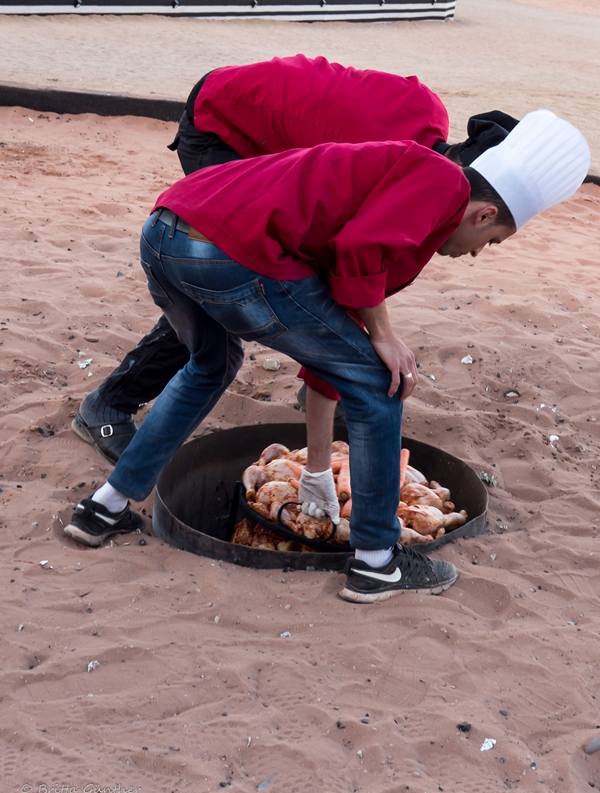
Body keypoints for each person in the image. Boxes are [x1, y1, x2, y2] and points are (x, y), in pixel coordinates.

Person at [64, 110, 589, 604]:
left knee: (210, 365)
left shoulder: (403, 196)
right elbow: (359, 255)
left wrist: (317, 467)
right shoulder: (442, 181)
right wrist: (384, 337)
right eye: (491, 241)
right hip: (230, 252)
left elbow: (330, 333)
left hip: (166, 231)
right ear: (485, 212)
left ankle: (103, 509)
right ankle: (379, 562)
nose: (477, 253)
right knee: (383, 384)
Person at [72, 54, 518, 467]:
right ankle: (109, 405)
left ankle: (318, 386)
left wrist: (328, 368)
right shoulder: (401, 165)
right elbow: (340, 260)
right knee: (229, 275)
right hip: (224, 123)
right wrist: (339, 359)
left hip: (261, 125)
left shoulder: (426, 120)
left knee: (255, 278)